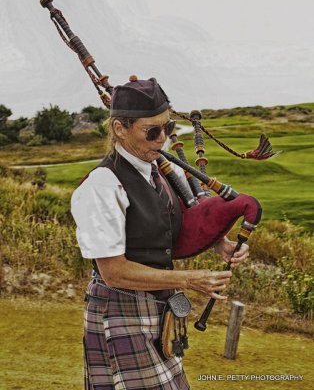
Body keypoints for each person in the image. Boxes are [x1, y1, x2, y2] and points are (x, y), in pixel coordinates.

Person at [71, 77, 249, 390]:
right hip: (120, 306)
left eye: (167, 128)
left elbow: (166, 228)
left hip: (158, 305)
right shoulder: (102, 186)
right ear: (119, 129)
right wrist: (189, 280)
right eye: (152, 131)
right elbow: (113, 271)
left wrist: (217, 244)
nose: (162, 139)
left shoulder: (160, 172)